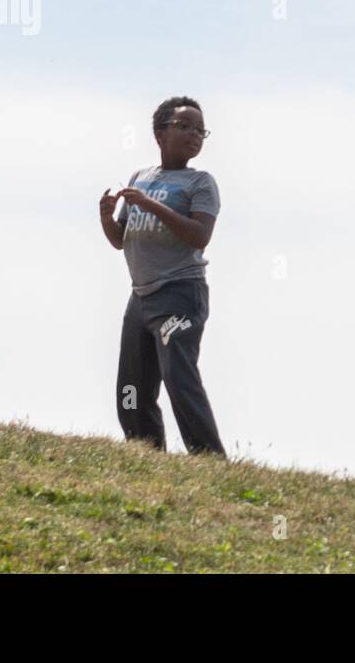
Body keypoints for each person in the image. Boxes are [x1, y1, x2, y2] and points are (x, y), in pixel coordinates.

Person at [98, 96, 226, 456]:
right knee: (132, 386)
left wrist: (151, 204)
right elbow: (121, 240)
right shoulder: (141, 177)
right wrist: (108, 218)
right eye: (184, 126)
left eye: (200, 130)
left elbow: (199, 236)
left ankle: (210, 460)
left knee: (179, 377)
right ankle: (146, 454)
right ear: (159, 133)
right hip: (141, 297)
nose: (194, 135)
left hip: (180, 295)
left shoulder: (201, 183)